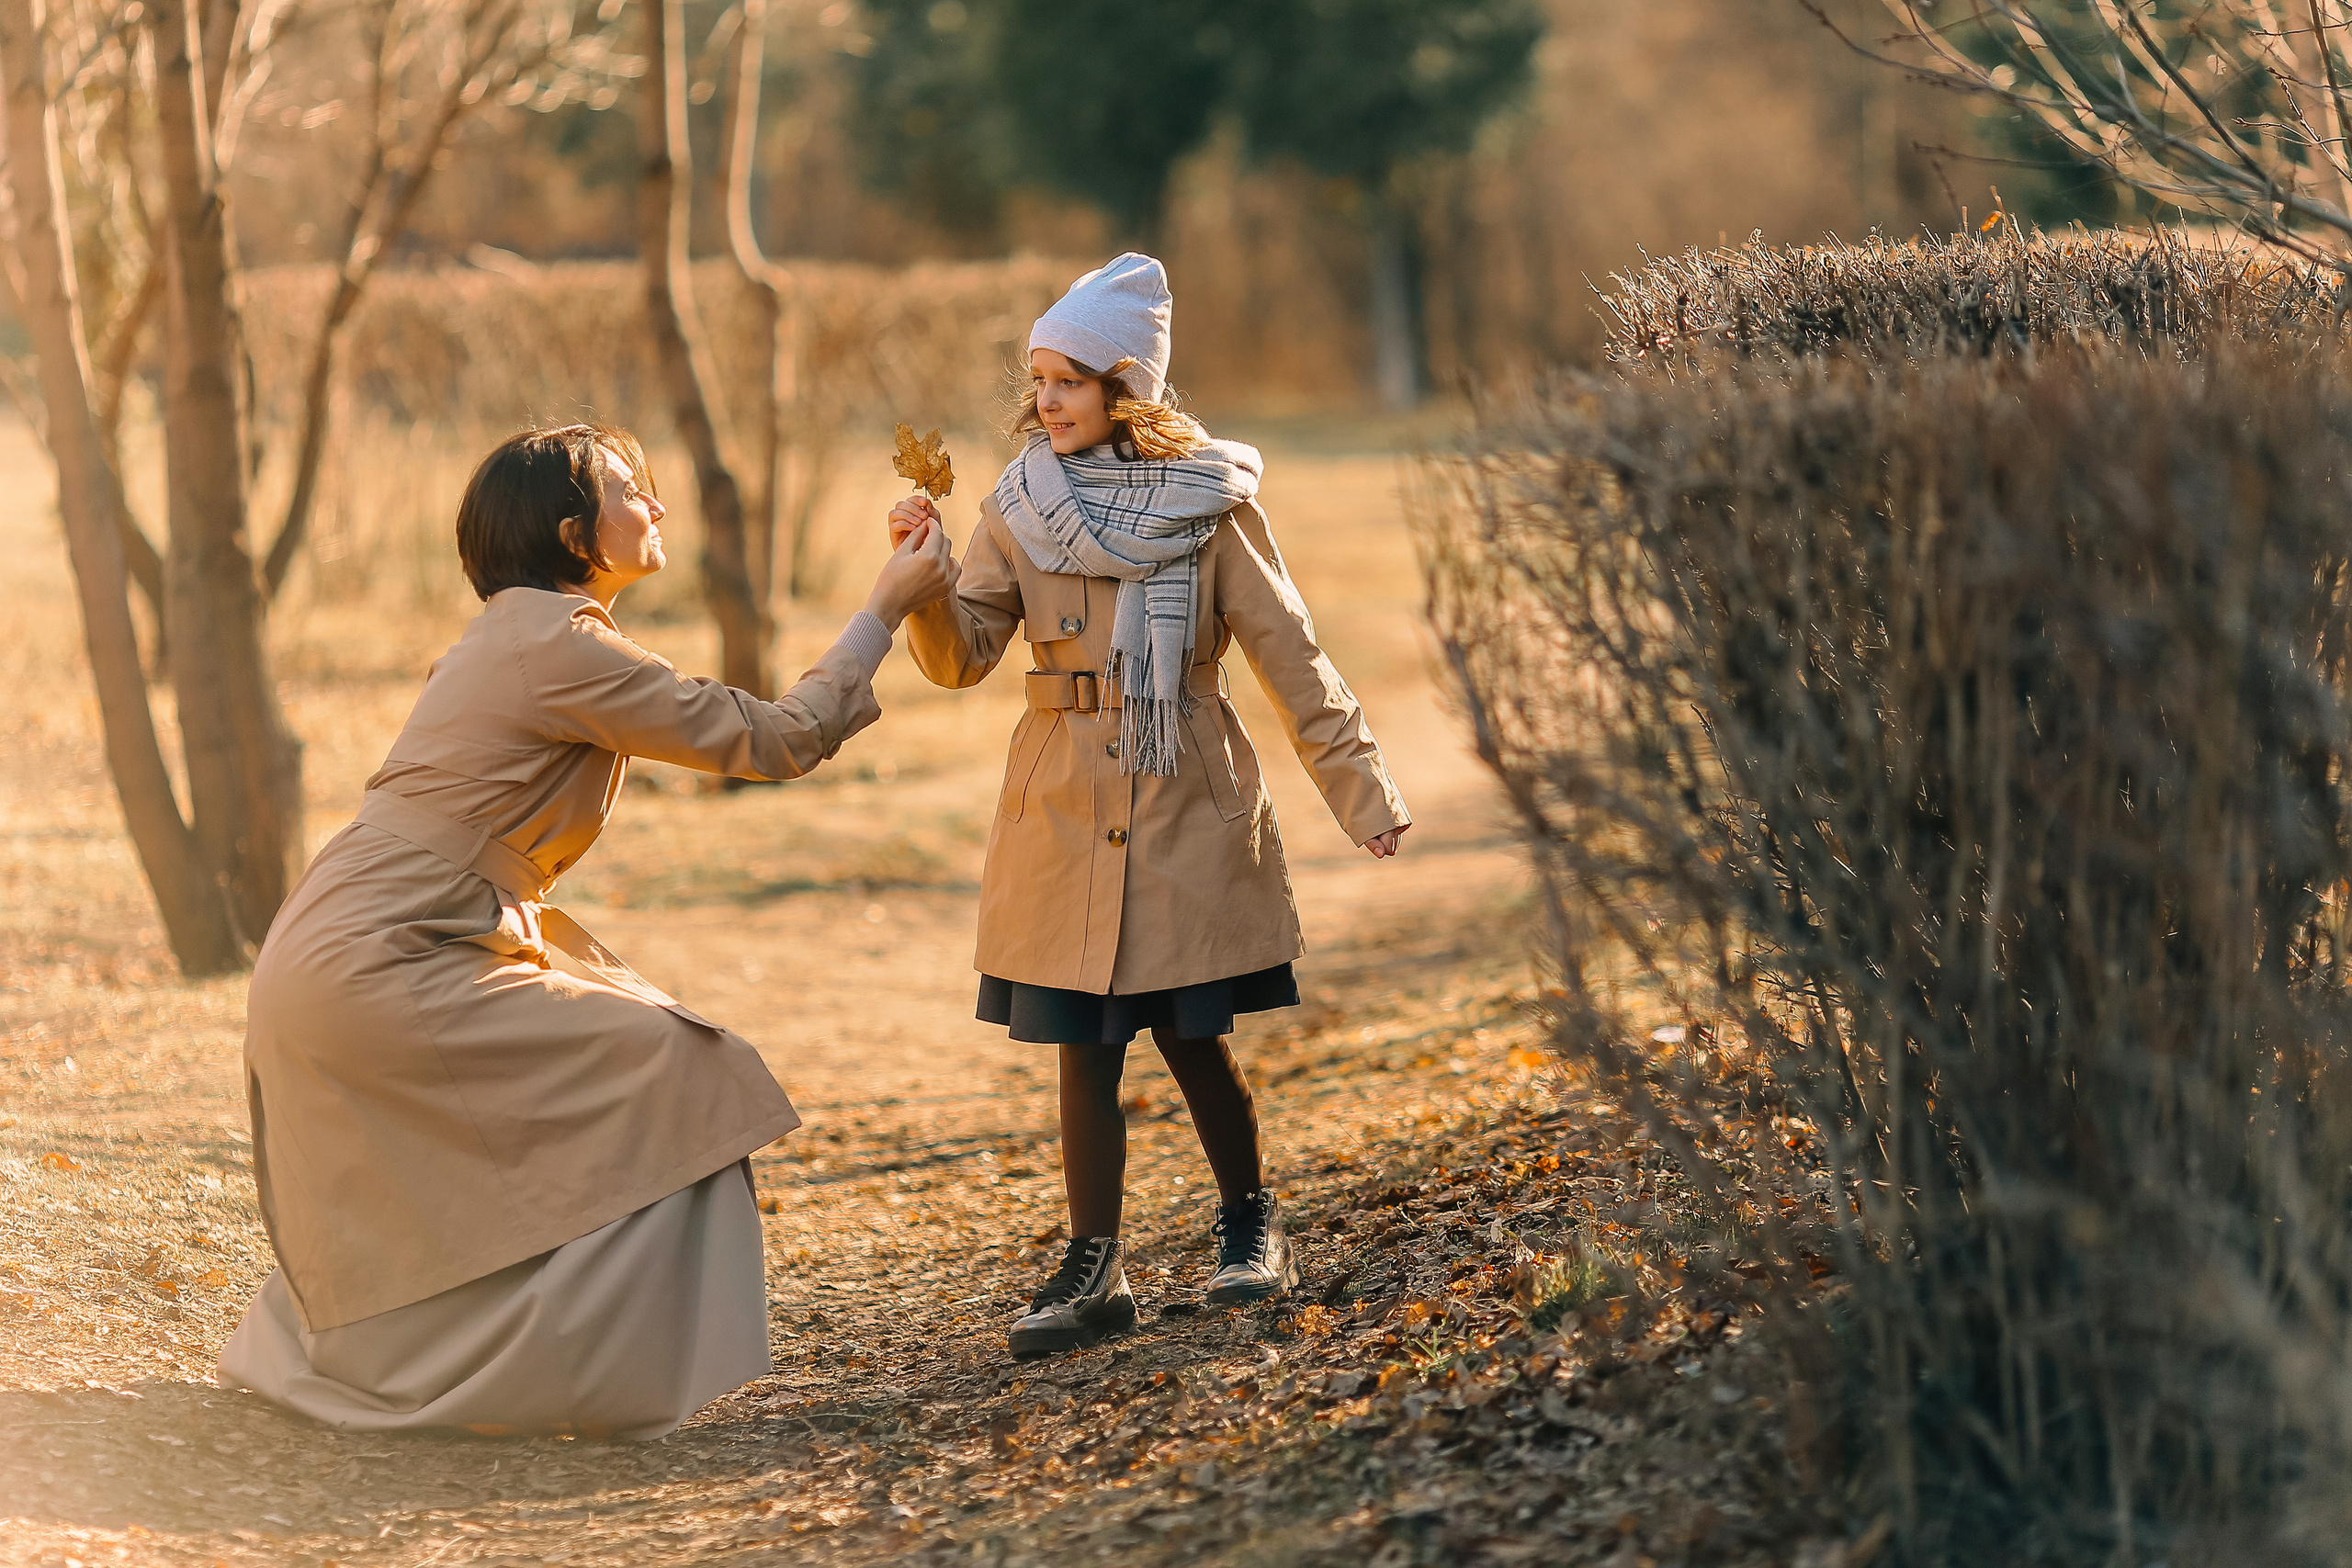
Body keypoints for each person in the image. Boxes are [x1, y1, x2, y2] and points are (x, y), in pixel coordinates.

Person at [218, 423, 955, 1439]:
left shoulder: (521, 631)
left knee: (580, 1100)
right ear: (574, 534)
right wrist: (883, 609)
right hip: (387, 954)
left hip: (365, 939)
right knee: (679, 1066)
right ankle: (576, 1368)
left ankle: (493, 1359)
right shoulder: (555, 640)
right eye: (629, 490)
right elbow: (777, 738)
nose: (656, 506)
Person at [888, 254, 1411, 1358]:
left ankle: (1250, 1224)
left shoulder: (1212, 505)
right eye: (1037, 381)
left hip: (1182, 789)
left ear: (1125, 387)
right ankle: (1094, 1267)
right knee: (1081, 1043)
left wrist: (1360, 790)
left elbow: (1290, 654)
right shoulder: (1016, 504)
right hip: (1061, 801)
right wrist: (926, 583)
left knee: (1188, 1031)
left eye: (1069, 381)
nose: (1046, 402)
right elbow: (962, 657)